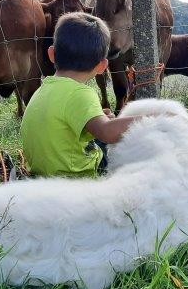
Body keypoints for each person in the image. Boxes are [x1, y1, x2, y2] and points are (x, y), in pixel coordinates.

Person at [20, 12, 140, 178]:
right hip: (75, 181)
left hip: (42, 175)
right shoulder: (81, 94)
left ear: (52, 54)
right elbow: (107, 133)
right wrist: (153, 117)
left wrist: (94, 118)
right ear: (102, 66)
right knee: (131, 156)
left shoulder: (43, 90)